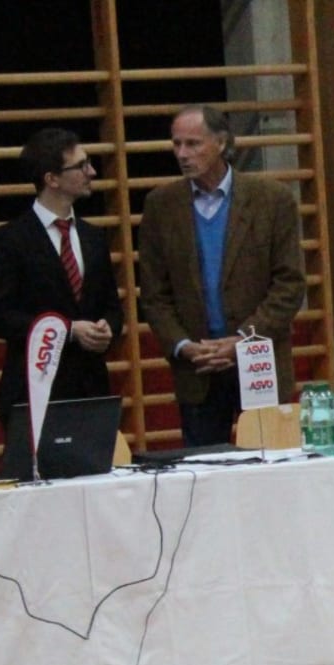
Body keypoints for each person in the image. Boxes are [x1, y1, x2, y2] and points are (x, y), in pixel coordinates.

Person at [135, 104, 304, 449]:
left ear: (222, 143)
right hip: (198, 368)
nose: (182, 154)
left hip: (259, 363)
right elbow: (154, 295)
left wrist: (242, 341)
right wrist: (183, 346)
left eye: (193, 144)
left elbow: (289, 285)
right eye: (177, 144)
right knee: (204, 470)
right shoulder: (160, 205)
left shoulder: (272, 200)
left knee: (270, 465)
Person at [0, 128, 123, 477]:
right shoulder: (8, 241)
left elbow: (111, 306)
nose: (91, 171)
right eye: (81, 165)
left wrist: (107, 328)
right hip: (32, 392)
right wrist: (67, 329)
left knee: (95, 489)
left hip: (90, 391)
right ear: (52, 179)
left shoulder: (93, 238)